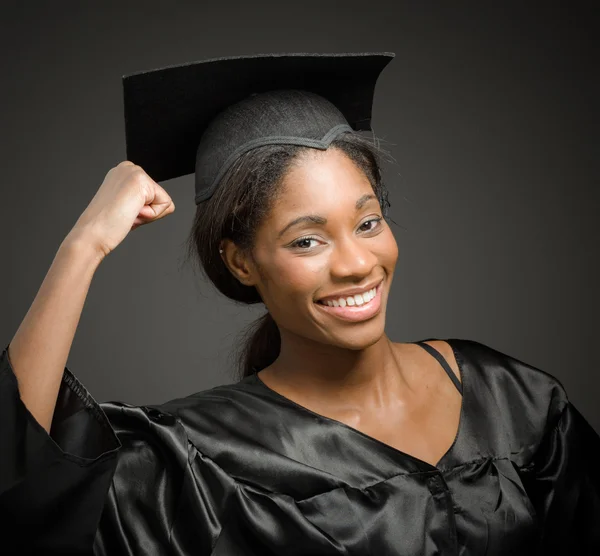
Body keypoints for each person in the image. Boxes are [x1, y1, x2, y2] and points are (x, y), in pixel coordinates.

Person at [1, 52, 599, 555]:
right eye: (307, 240)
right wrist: (82, 246)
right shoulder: (203, 459)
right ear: (241, 262)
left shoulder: (512, 400)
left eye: (368, 222)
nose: (356, 263)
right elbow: (25, 492)